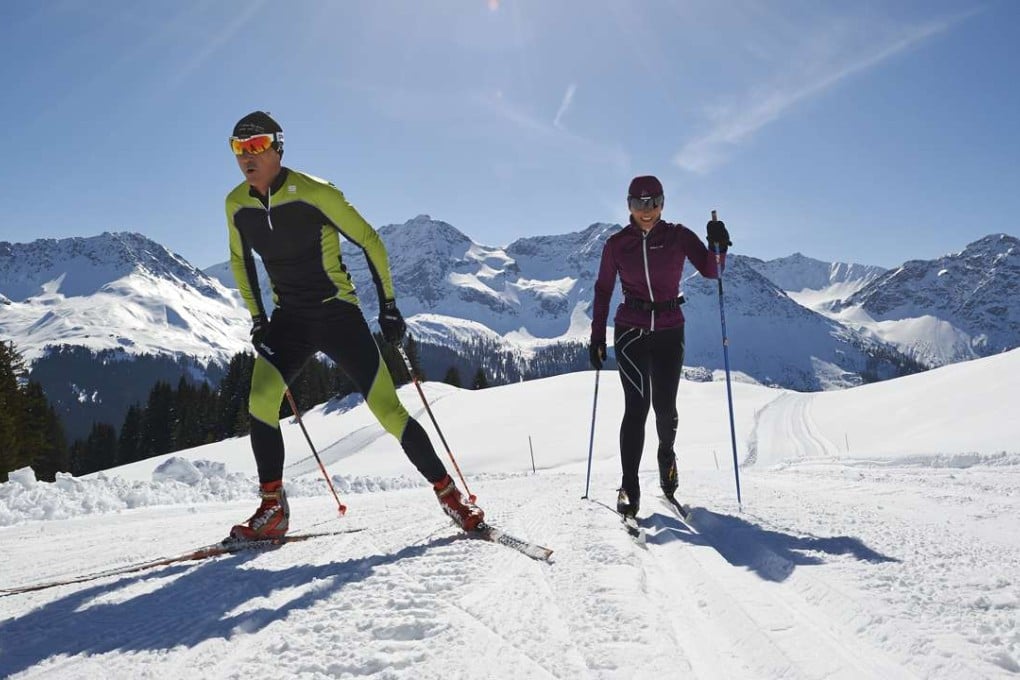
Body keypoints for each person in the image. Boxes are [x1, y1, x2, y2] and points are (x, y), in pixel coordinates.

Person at [224, 111, 484, 540]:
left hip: (336, 313)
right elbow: (241, 262)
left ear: (278, 148)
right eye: (238, 147)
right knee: (260, 402)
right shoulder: (236, 204)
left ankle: (449, 495)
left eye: (256, 145)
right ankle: (273, 510)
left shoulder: (314, 192)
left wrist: (389, 306)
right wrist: (258, 318)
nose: (246, 156)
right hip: (289, 319)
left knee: (387, 409)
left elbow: (369, 240)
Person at [589, 175, 731, 518]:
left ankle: (666, 455)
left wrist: (719, 246)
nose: (646, 210)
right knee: (637, 408)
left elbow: (713, 271)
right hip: (631, 332)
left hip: (669, 331)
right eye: (639, 203)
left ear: (662, 203)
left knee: (665, 410)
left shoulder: (678, 236)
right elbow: (604, 290)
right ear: (628, 206)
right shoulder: (616, 244)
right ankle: (629, 486)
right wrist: (597, 337)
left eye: (652, 202)